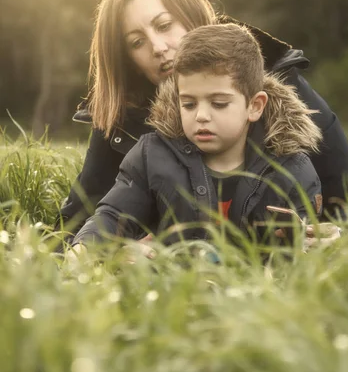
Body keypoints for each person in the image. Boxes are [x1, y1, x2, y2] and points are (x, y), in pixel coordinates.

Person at [55, 0, 348, 245]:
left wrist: (334, 240)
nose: (158, 47)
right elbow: (73, 227)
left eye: (165, 25)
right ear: (128, 60)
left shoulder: (281, 86)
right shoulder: (122, 116)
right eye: (137, 42)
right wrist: (117, 251)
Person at [70, 24, 323, 251]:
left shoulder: (293, 169)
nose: (201, 116)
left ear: (255, 106)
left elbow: (305, 246)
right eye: (189, 104)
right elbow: (113, 215)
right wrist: (84, 252)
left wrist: (308, 245)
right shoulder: (152, 156)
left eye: (219, 103)